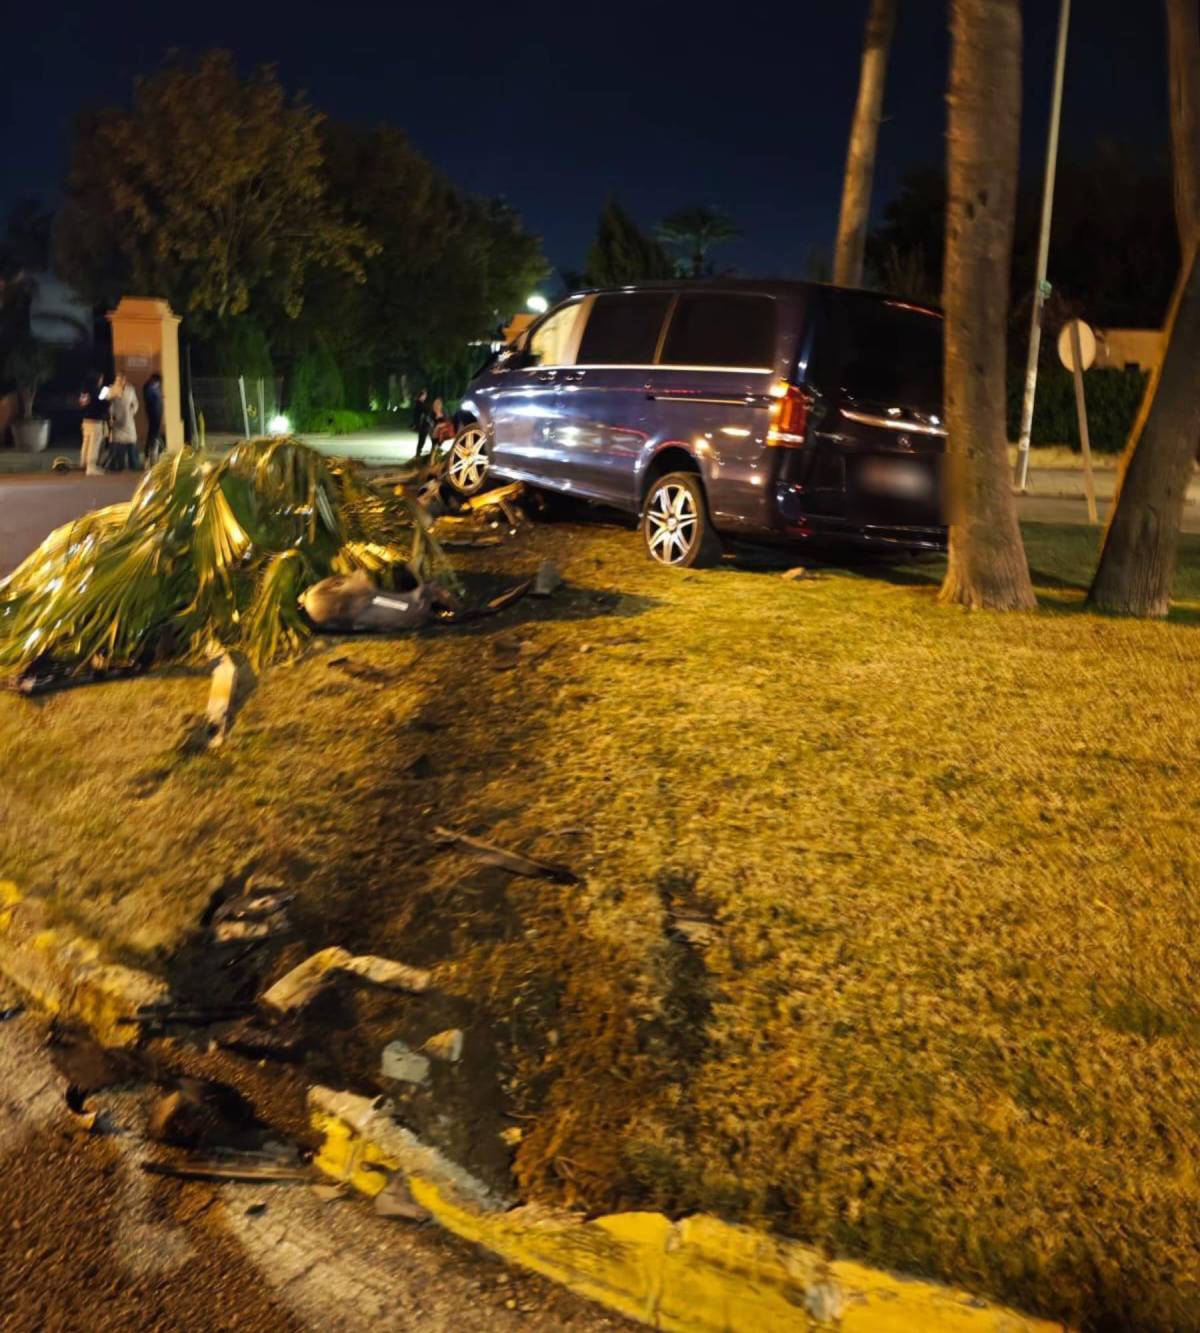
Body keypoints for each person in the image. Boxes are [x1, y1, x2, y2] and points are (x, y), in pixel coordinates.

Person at [107, 373, 139, 472]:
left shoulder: (130, 389)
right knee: (118, 444)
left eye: (122, 380)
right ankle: (117, 466)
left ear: (125, 380)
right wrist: (110, 416)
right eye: (118, 380)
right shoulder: (110, 389)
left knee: (131, 442)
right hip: (116, 420)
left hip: (128, 420)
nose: (120, 382)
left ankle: (134, 466)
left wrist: (132, 412)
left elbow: (135, 403)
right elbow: (104, 401)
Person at [79, 370, 109, 476]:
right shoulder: (96, 391)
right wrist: (106, 397)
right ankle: (91, 467)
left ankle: (84, 463)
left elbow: (82, 405)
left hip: (86, 420)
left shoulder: (84, 391)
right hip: (96, 421)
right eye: (100, 378)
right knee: (94, 445)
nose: (101, 380)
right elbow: (102, 404)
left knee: (86, 443)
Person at [142, 373, 164, 466]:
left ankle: (151, 457)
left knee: (154, 436)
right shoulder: (150, 389)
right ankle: (150, 457)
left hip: (155, 414)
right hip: (154, 415)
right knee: (153, 436)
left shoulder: (151, 388)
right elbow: (152, 402)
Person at [411, 388, 434, 461]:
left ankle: (419, 452)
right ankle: (419, 453)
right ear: (421, 396)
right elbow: (420, 414)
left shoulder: (419, 403)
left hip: (424, 424)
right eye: (424, 395)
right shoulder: (419, 404)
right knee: (422, 439)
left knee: (423, 439)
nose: (425, 396)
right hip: (423, 425)